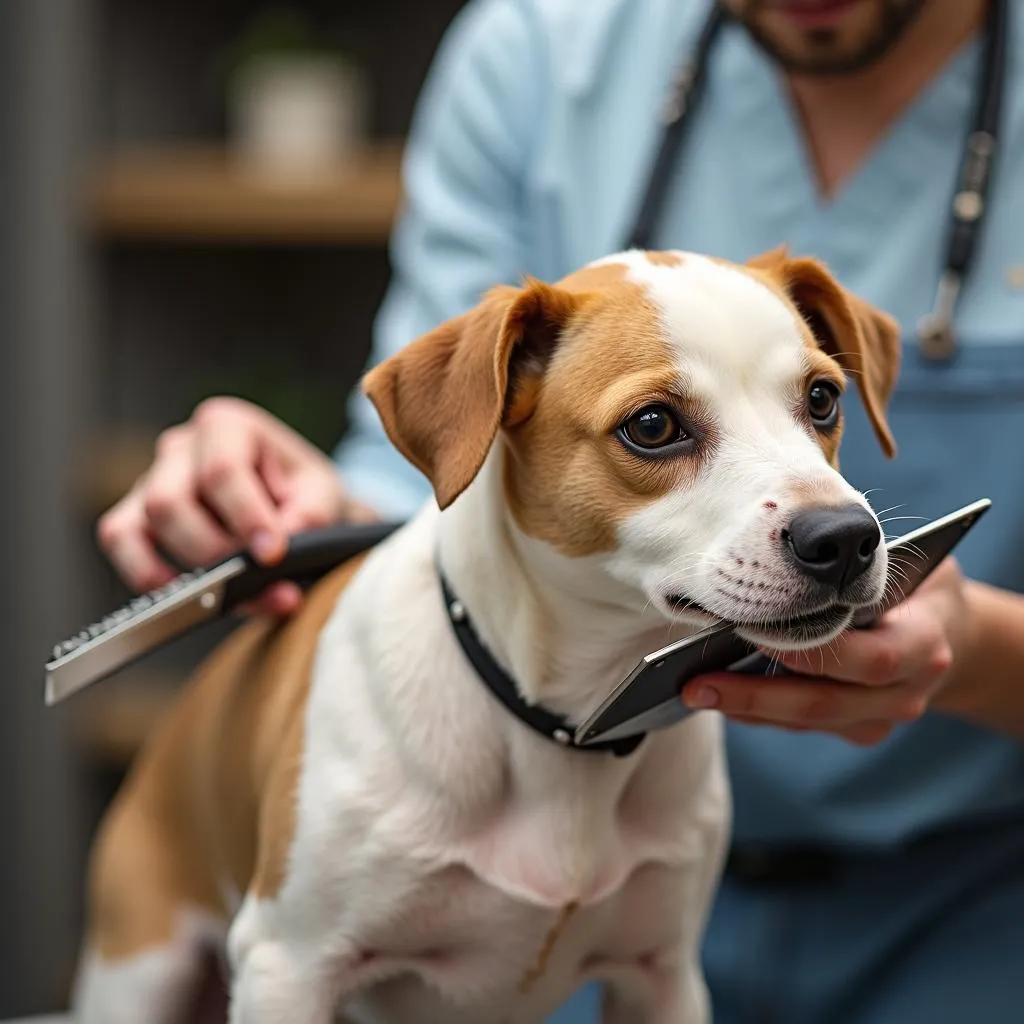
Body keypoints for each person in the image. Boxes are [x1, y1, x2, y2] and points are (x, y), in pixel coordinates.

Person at [97, 0, 1024, 1020]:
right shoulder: (539, 45)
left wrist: (983, 648)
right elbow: (436, 473)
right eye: (658, 426)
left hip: (969, 907)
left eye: (816, 401)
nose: (829, 506)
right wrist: (306, 503)